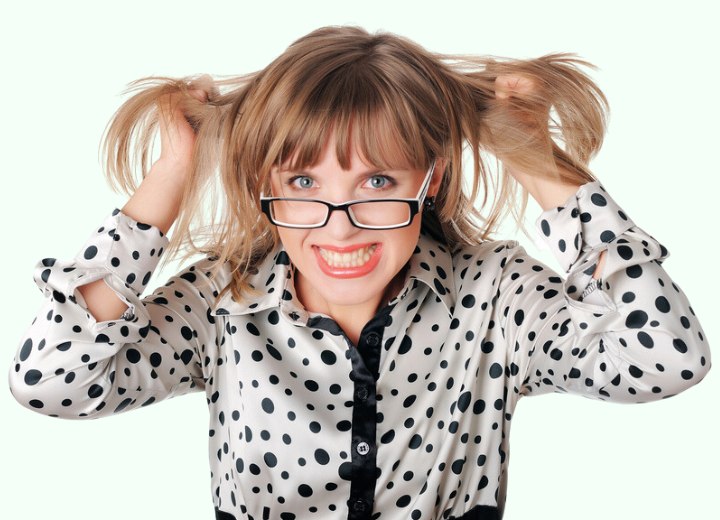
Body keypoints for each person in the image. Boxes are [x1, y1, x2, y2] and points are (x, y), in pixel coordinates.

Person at [8, 25, 711, 520]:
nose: (338, 224)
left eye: (377, 181)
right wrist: (172, 175)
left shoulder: (494, 296)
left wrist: (532, 156)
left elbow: (667, 359)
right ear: (260, 183)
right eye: (303, 183)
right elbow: (54, 384)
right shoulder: (223, 304)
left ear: (429, 180)